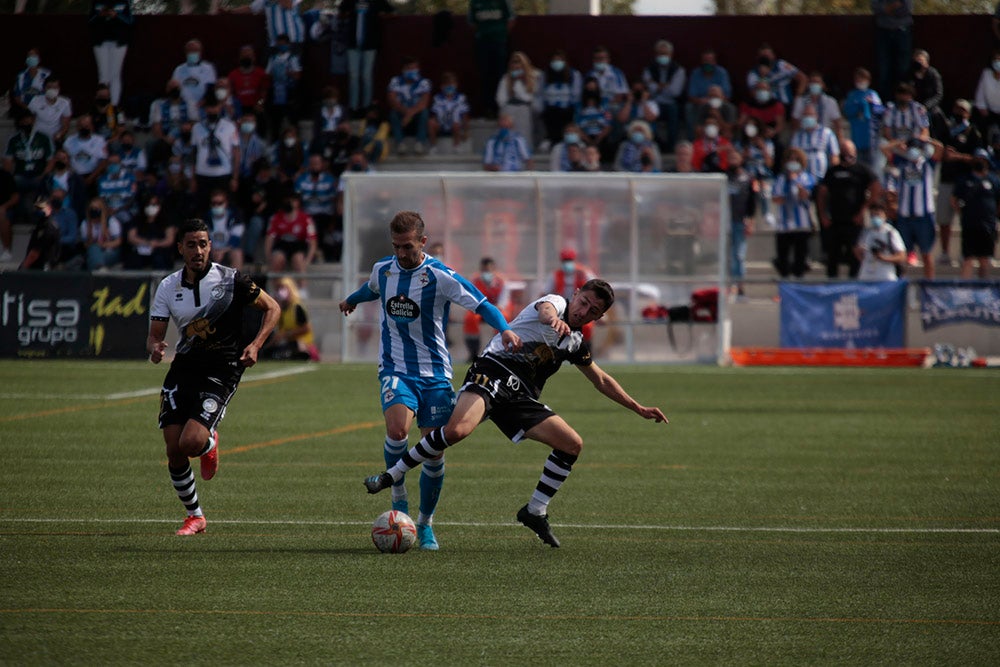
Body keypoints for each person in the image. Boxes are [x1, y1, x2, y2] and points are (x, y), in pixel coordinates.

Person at [362, 279, 666, 548]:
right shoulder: (556, 303)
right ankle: (393, 474)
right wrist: (552, 321)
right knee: (456, 432)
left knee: (572, 444)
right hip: (493, 371)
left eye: (592, 310)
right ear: (576, 295)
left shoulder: (575, 342)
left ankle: (535, 511)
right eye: (583, 302)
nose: (583, 311)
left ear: (599, 317)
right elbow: (546, 309)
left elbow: (600, 379)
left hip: (520, 396)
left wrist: (638, 408)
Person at [340, 211, 521, 550]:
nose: (402, 254)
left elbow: (482, 305)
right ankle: (398, 500)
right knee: (396, 431)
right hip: (395, 368)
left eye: (408, 246)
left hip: (436, 374)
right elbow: (371, 289)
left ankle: (425, 525)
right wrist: (351, 300)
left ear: (422, 242)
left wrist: (505, 328)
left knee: (433, 453)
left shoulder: (440, 276)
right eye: (396, 246)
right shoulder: (385, 268)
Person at [147, 218, 280, 536]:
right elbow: (155, 335)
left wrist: (256, 345)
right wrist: (155, 348)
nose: (198, 250)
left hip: (222, 369)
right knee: (173, 449)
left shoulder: (231, 280)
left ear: (210, 246)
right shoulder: (168, 286)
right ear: (180, 247)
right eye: (191, 244)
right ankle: (195, 516)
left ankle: (208, 442)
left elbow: (272, 308)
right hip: (184, 367)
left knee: (191, 442)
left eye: (203, 243)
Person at [816, 140, 881, 279]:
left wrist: (864, 209)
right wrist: (823, 215)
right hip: (835, 221)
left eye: (849, 154)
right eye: (844, 153)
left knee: (854, 255)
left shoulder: (862, 170)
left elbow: (876, 187)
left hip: (854, 221)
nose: (846, 157)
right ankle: (831, 284)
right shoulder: (833, 171)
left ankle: (854, 283)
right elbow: (822, 193)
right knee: (833, 255)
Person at [882, 136, 943, 278]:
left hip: (924, 216)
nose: (913, 151)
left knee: (926, 254)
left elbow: (940, 148)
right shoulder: (902, 163)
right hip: (905, 216)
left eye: (916, 148)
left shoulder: (928, 164)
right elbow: (884, 148)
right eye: (911, 148)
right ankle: (900, 284)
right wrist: (900, 142)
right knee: (902, 253)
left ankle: (929, 287)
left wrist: (926, 139)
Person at [940, 99, 985, 266]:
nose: (959, 113)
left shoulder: (973, 132)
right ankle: (944, 253)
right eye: (957, 109)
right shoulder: (947, 129)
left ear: (968, 113)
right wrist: (946, 155)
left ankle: (964, 253)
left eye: (963, 110)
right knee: (944, 219)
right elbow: (939, 151)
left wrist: (957, 156)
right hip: (946, 179)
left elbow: (978, 158)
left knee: (966, 219)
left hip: (965, 182)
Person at [338, 0, 393, 116]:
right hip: (353, 43)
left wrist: (379, 18)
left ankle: (366, 106)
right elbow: (341, 11)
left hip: (370, 44)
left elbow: (390, 11)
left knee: (366, 76)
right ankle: (353, 106)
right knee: (353, 75)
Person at [952, 149, 1000, 279]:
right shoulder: (964, 179)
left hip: (988, 225)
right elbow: (954, 200)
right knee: (968, 259)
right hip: (970, 224)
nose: (980, 162)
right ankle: (965, 291)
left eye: (983, 159)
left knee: (984, 260)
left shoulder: (993, 180)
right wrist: (962, 213)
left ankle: (984, 291)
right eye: (977, 159)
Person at [771, 147, 815, 279]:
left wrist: (795, 181)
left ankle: (799, 284)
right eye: (790, 159)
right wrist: (788, 183)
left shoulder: (807, 178)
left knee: (800, 258)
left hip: (801, 225)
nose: (793, 162)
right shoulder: (780, 178)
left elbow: (805, 196)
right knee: (782, 258)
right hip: (784, 225)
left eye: (796, 159)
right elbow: (776, 198)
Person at [468, 0, 515, 118]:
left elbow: (511, 20)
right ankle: (488, 109)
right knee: (485, 76)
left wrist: (501, 35)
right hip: (482, 43)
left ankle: (500, 108)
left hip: (499, 43)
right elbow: (472, 23)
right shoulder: (475, 2)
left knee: (500, 75)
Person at [192, 97, 240, 211]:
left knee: (225, 207)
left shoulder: (230, 126)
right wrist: (193, 177)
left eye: (215, 107)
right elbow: (194, 153)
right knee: (202, 208)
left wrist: (235, 177)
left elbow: (236, 153)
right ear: (205, 109)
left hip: (223, 173)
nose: (212, 111)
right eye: (209, 108)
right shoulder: (197, 128)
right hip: (203, 174)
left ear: (219, 108)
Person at [263, 191, 317, 290]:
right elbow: (269, 238)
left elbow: (312, 242)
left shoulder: (306, 219)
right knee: (277, 259)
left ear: (298, 202)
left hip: (298, 245)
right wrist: (269, 257)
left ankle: (302, 290)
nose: (290, 202)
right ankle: (276, 291)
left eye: (293, 200)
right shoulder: (276, 218)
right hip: (282, 245)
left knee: (298, 259)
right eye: (288, 200)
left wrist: (308, 260)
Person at [463, 257, 511, 362]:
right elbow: (470, 296)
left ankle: (500, 350)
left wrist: (497, 308)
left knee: (504, 317)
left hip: (496, 308)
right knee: (470, 319)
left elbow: (504, 299)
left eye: (489, 270)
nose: (487, 272)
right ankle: (473, 353)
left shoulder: (502, 281)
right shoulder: (475, 280)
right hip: (479, 308)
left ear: (494, 269)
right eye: (485, 270)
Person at [541, 247, 596, 339]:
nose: (567, 263)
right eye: (565, 260)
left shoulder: (583, 273)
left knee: (585, 329)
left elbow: (597, 287)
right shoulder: (555, 275)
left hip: (581, 308)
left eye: (569, 260)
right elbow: (545, 293)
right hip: (562, 309)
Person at [643, 39, 686, 152]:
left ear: (670, 55)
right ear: (656, 55)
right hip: (654, 101)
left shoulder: (678, 70)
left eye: (665, 54)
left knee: (673, 111)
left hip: (671, 103)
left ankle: (671, 147)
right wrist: (665, 86)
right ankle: (655, 145)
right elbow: (649, 89)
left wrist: (657, 85)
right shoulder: (649, 69)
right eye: (660, 54)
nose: (662, 56)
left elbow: (675, 91)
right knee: (649, 111)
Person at [263, 276, 320, 361]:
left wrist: (287, 334)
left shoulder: (297, 307)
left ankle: (305, 354)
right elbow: (279, 333)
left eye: (284, 288)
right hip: (290, 343)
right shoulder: (282, 310)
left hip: (302, 343)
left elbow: (306, 328)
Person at [89, 1, 134, 108]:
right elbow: (90, 20)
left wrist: (117, 15)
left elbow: (130, 21)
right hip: (100, 42)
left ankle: (114, 107)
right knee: (103, 75)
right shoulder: (96, 2)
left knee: (115, 75)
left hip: (119, 42)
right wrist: (100, 15)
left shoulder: (124, 1)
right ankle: (102, 106)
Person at [294, 154, 338, 261]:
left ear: (322, 165)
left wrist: (333, 220)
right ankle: (312, 253)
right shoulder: (301, 179)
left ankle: (317, 252)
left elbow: (335, 201)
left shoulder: (330, 180)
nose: (314, 167)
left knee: (318, 223)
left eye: (317, 164)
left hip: (324, 214)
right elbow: (297, 199)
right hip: (307, 214)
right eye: (312, 164)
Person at [726, 147, 756, 300]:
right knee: (728, 255)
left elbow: (752, 201)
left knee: (739, 255)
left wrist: (750, 220)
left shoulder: (748, 178)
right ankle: (729, 286)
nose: (733, 161)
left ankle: (740, 287)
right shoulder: (723, 177)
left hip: (740, 221)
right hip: (725, 221)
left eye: (735, 158)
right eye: (730, 158)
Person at [387, 56, 431, 155]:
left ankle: (419, 143)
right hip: (401, 115)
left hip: (416, 116)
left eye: (414, 68)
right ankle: (400, 144)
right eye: (409, 68)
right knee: (393, 113)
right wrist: (406, 113)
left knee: (424, 112)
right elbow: (392, 100)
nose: (412, 71)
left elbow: (424, 102)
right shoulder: (395, 81)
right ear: (404, 69)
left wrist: (410, 114)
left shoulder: (424, 82)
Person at [496, 51, 542, 147]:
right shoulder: (506, 78)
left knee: (523, 136)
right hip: (509, 108)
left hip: (525, 109)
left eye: (519, 62)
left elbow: (529, 98)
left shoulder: (534, 77)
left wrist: (519, 83)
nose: (516, 65)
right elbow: (500, 99)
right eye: (514, 62)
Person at [539, 50, 582, 151]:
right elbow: (540, 93)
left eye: (559, 60)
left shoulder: (574, 74)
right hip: (550, 110)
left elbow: (577, 95)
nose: (556, 63)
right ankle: (550, 139)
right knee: (549, 114)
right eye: (554, 60)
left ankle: (566, 140)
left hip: (567, 109)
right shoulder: (545, 75)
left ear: (565, 61)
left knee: (565, 115)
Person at [843, 67, 884, 170]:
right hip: (857, 138)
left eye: (862, 79)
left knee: (873, 168)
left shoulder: (873, 94)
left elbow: (880, 112)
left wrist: (871, 104)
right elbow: (847, 111)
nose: (860, 81)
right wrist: (858, 106)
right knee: (858, 167)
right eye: (858, 79)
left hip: (871, 139)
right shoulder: (852, 95)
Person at [872, 0, 914, 98]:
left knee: (903, 68)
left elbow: (907, 9)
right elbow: (875, 7)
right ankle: (885, 102)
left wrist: (887, 9)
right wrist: (893, 6)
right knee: (883, 69)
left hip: (902, 30)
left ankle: (902, 99)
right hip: (883, 31)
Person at [854, 201, 906, 281]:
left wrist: (883, 258)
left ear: (885, 216)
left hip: (885, 276)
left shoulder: (891, 232)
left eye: (878, 215)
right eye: (872, 215)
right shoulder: (866, 232)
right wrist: (861, 253)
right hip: (866, 276)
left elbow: (902, 256)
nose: (875, 218)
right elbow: (857, 251)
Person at [265, 34, 303, 139]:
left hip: (289, 92)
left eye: (283, 44)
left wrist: (287, 73)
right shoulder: (273, 59)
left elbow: (298, 75)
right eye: (279, 44)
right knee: (276, 120)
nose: (281, 46)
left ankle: (295, 140)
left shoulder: (293, 58)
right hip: (276, 93)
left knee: (292, 120)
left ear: (288, 44)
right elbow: (267, 74)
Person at [746, 43, 805, 110]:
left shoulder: (781, 65)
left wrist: (798, 97)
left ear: (773, 56)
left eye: (768, 55)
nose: (766, 58)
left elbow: (803, 78)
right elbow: (753, 94)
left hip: (787, 104)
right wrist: (763, 77)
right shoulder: (753, 73)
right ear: (758, 58)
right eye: (763, 56)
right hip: (767, 107)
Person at [789, 104, 839, 182]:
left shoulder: (826, 133)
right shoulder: (797, 135)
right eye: (805, 115)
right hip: (802, 180)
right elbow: (793, 155)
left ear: (816, 116)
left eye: (810, 115)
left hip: (822, 177)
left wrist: (833, 175)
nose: (808, 117)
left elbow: (834, 155)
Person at [124, 193, 176, 269]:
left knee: (160, 259)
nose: (151, 207)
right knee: (133, 259)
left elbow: (169, 240)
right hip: (142, 250)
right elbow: (131, 237)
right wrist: (147, 243)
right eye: (148, 205)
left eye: (154, 205)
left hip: (160, 251)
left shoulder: (166, 220)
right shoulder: (137, 219)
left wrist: (157, 244)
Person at [228, 46, 269, 135]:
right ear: (240, 58)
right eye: (244, 56)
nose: (247, 58)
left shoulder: (261, 73)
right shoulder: (233, 75)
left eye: (249, 56)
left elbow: (264, 92)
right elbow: (230, 94)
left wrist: (260, 103)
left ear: (254, 58)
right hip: (240, 109)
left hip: (256, 108)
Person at [429, 72, 471, 154]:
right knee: (430, 122)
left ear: (456, 85)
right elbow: (433, 115)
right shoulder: (437, 98)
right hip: (441, 126)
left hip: (455, 126)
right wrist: (434, 123)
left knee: (456, 124)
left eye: (452, 84)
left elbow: (465, 116)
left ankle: (456, 146)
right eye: (447, 84)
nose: (450, 86)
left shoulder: (461, 98)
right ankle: (433, 147)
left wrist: (466, 131)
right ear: (442, 86)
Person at [791, 72, 842, 136]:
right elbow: (795, 121)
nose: (814, 84)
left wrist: (840, 138)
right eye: (812, 82)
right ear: (808, 84)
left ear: (823, 85)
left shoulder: (831, 102)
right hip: (804, 135)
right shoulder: (800, 101)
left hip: (824, 136)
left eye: (817, 82)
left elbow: (837, 122)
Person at [171, 39, 217, 109]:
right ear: (186, 52)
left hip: (203, 107)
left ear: (200, 52)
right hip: (184, 107)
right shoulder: (179, 69)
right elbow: (174, 89)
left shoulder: (208, 68)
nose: (193, 53)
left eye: (196, 50)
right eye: (190, 50)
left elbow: (211, 88)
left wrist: (202, 103)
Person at [80, 197, 123, 270]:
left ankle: (98, 268)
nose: (93, 210)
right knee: (93, 249)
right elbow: (85, 244)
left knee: (93, 258)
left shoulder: (111, 221)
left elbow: (118, 241)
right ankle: (100, 269)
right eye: (92, 208)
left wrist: (103, 245)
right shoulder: (85, 223)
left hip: (110, 252)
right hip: (93, 252)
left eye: (96, 208)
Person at [19, 196, 60, 271]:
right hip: (37, 266)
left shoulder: (48, 227)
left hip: (43, 268)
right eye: (37, 208)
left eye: (41, 208)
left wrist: (23, 266)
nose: (38, 211)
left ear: (49, 208)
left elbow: (35, 252)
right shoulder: (41, 224)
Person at [27, 78, 72, 144]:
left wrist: (59, 134)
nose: (52, 89)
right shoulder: (35, 100)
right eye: (49, 87)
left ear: (59, 88)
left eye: (55, 87)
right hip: (37, 137)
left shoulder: (65, 103)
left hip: (55, 138)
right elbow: (30, 119)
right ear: (44, 88)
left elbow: (66, 124)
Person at [10, 48, 51, 119]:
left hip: (43, 108)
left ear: (39, 59)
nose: (31, 58)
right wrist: (28, 108)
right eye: (29, 56)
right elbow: (17, 97)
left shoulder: (47, 74)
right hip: (25, 109)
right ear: (26, 59)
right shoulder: (21, 76)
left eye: (34, 56)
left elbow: (51, 93)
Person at [973, 49, 1000, 140]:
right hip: (988, 112)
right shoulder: (986, 74)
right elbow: (980, 95)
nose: (998, 62)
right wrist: (983, 108)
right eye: (996, 60)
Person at [0, 168, 18, 262]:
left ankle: (7, 250)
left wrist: (4, 207)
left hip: (6, 208)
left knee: (2, 215)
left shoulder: (5, 175)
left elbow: (15, 197)